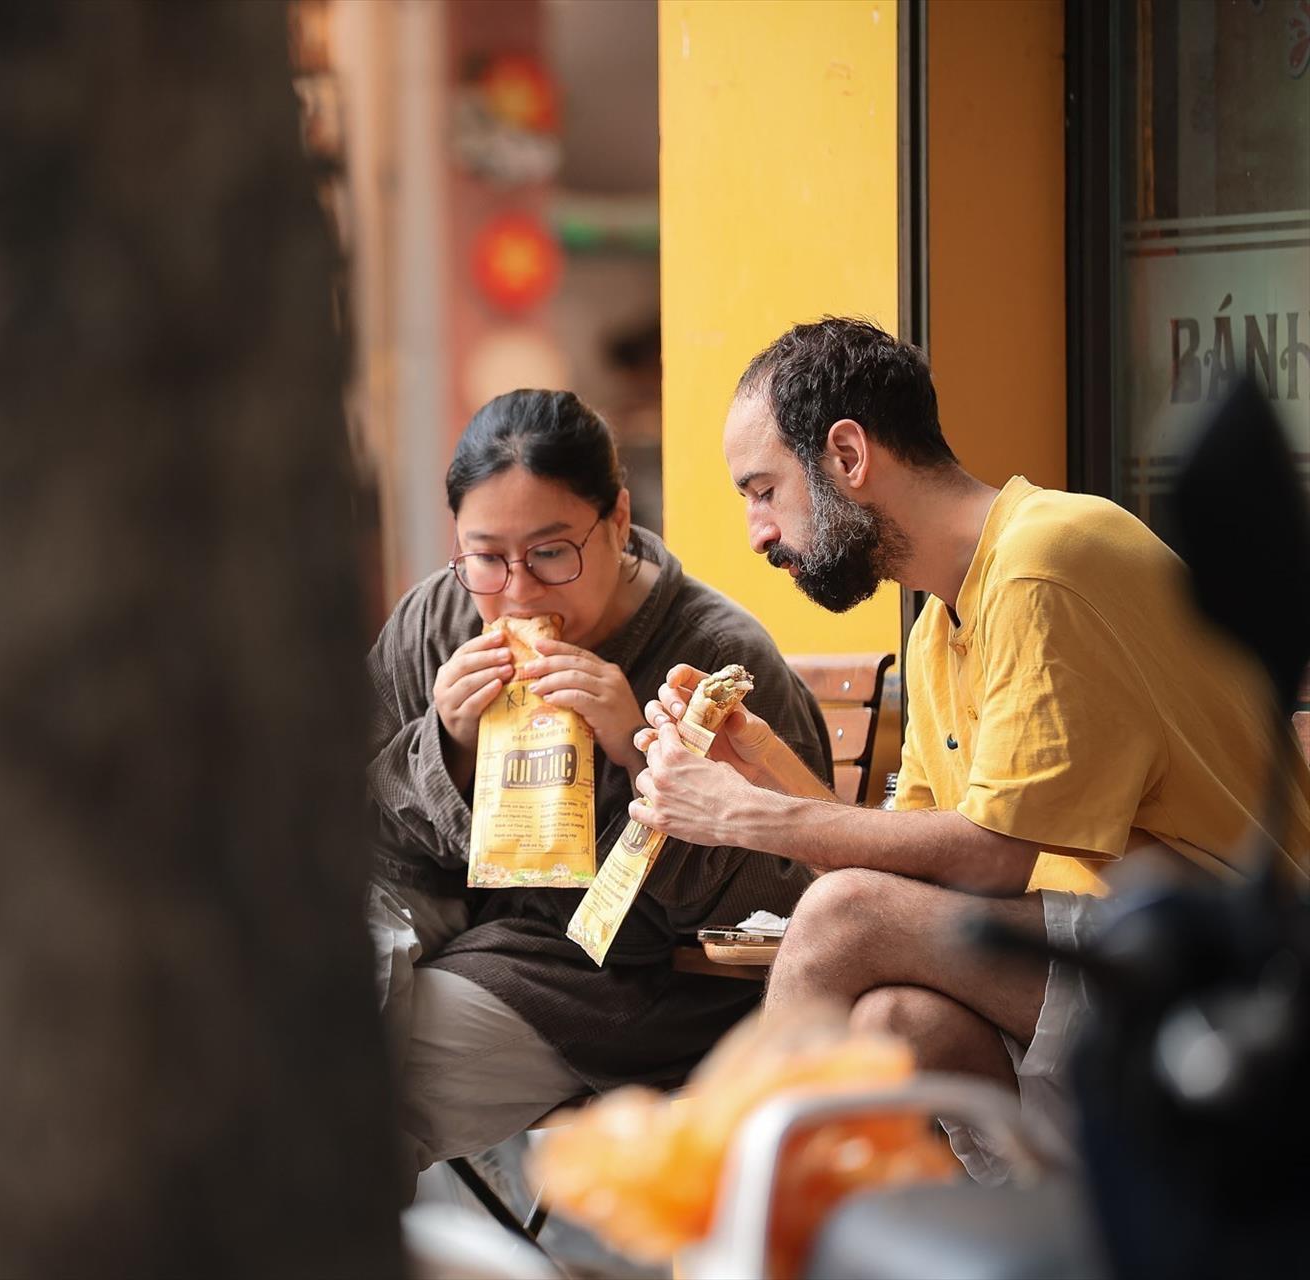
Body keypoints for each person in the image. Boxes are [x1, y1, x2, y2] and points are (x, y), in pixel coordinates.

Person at [628, 317, 1310, 1176]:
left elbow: (993, 856)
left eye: (763, 491)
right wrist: (761, 766)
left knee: (841, 917)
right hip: (1100, 961)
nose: (757, 534)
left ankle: (724, 1204)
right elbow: (915, 872)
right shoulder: (938, 624)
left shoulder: (1044, 562)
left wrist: (745, 817)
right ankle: (1019, 1227)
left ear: (848, 455)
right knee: (897, 1023)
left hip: (1237, 978)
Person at [366, 388, 832, 1189]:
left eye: (552, 553)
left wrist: (636, 750)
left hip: (608, 985)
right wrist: (446, 746)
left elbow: (777, 907)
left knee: (359, 1091)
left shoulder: (712, 653)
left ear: (617, 520)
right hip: (439, 921)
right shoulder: (436, 621)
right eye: (486, 557)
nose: (518, 593)